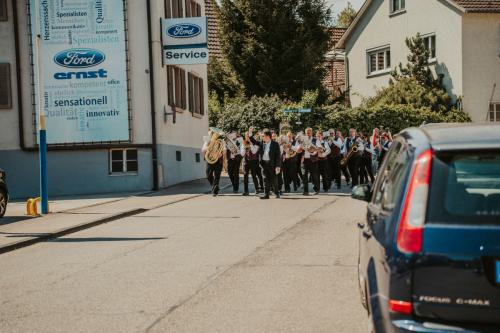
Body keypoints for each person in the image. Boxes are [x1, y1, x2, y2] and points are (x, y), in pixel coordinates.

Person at [249, 128, 282, 199]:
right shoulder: (261, 143)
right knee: (265, 179)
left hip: (272, 164)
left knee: (274, 180)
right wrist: (250, 132)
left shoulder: (275, 144)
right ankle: (266, 194)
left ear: (268, 136)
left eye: (263, 136)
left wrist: (278, 166)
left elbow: (278, 156)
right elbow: (253, 141)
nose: (262, 137)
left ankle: (277, 192)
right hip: (264, 164)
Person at [295, 128, 320, 195]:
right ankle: (305, 191)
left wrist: (312, 150)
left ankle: (316, 189)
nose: (308, 134)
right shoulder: (302, 140)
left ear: (312, 133)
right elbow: (297, 150)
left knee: (314, 175)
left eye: (309, 132)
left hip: (313, 160)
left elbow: (319, 148)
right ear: (305, 133)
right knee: (304, 175)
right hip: (304, 160)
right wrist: (300, 146)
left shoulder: (315, 140)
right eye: (307, 133)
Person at [202, 130, 226, 196]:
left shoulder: (221, 141)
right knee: (208, 175)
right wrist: (210, 147)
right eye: (214, 133)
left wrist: (220, 154)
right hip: (209, 160)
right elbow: (203, 149)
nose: (215, 134)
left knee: (217, 176)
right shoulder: (208, 140)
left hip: (218, 160)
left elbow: (224, 150)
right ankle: (214, 186)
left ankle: (215, 191)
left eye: (216, 133)